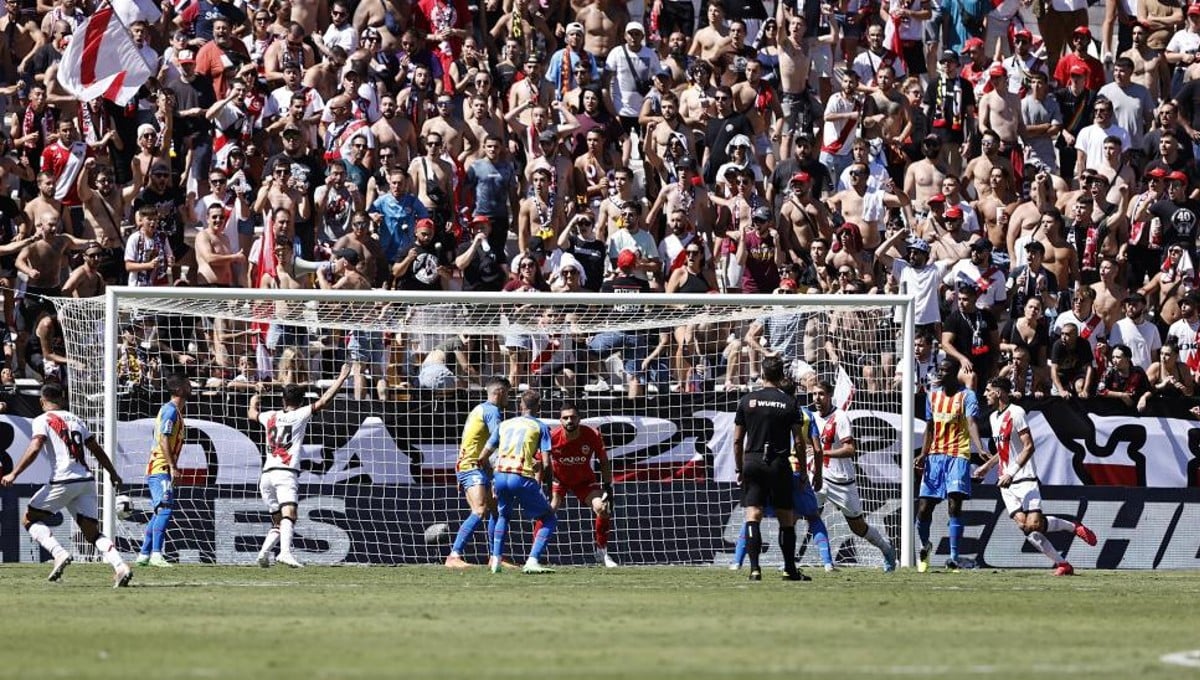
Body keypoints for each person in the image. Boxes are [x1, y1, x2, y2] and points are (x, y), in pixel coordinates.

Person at [0, 382, 132, 587]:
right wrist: (112, 473)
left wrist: (14, 473)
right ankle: (120, 566)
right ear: (61, 400)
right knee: (93, 533)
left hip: (64, 479)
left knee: (28, 519)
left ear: (42, 401)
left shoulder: (42, 419)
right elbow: (96, 449)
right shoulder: (76, 419)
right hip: (86, 480)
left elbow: (35, 447)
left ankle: (59, 553)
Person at [974, 377, 1098, 575]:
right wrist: (987, 467)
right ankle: (1063, 564)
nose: (984, 394)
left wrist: (1011, 472)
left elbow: (1029, 446)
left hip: (1023, 476)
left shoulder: (1016, 412)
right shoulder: (992, 418)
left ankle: (1073, 526)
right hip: (1005, 482)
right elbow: (1004, 450)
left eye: (988, 390)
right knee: (1025, 526)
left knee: (1035, 524)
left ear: (998, 392)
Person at [247, 364, 352, 568]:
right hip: (285, 473)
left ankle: (263, 553)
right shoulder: (300, 414)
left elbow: (252, 413)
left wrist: (255, 396)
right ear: (302, 401)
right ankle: (285, 553)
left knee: (278, 522)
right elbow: (324, 401)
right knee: (290, 515)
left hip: (266, 475)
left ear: (283, 400)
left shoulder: (270, 416)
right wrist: (341, 378)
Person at [733, 354, 811, 581]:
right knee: (785, 517)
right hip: (779, 463)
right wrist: (804, 471)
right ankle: (789, 568)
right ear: (781, 375)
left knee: (753, 514)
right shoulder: (789, 402)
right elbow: (798, 441)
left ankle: (755, 569)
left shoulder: (747, 400)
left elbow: (737, 441)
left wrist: (739, 469)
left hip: (753, 462)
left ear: (763, 373)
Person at [809, 379, 897, 571]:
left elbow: (850, 450)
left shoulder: (840, 417)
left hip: (841, 481)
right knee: (808, 515)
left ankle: (887, 549)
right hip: (818, 477)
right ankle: (825, 563)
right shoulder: (811, 417)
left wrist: (823, 453)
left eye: (821, 394)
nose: (817, 398)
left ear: (830, 396)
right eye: (814, 393)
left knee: (857, 527)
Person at [914, 357, 985, 572]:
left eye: (945, 370)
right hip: (935, 456)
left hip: (958, 455)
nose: (941, 374)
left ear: (954, 373)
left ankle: (954, 557)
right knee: (925, 508)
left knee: (954, 504)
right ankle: (924, 546)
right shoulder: (933, 396)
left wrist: (979, 448)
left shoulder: (967, 396)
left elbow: (971, 422)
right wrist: (923, 453)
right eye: (939, 370)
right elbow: (930, 427)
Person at [484, 390, 557, 574]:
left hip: (500, 475)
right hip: (521, 475)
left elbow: (483, 456)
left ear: (520, 406)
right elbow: (547, 463)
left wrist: (491, 479)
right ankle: (532, 561)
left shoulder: (504, 425)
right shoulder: (540, 427)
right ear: (539, 407)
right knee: (548, 518)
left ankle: (496, 560)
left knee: (503, 516)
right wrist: (548, 487)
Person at [445, 376, 511, 569]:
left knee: (497, 511)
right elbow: (497, 443)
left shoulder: (479, 409)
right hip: (472, 466)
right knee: (480, 510)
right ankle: (453, 556)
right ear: (499, 393)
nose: (509, 398)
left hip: (473, 466)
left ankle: (496, 557)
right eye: (508, 393)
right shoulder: (492, 412)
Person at [545, 404, 617, 568]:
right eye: (565, 418)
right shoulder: (552, 437)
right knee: (548, 511)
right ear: (560, 420)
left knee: (603, 508)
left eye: (573, 417)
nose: (569, 421)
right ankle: (535, 556)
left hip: (583, 481)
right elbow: (540, 461)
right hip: (559, 480)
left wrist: (608, 488)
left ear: (579, 419)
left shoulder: (591, 434)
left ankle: (602, 551)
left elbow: (604, 462)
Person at [136, 373, 191, 568]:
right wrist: (172, 466)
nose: (190, 385)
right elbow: (163, 439)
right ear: (179, 389)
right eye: (187, 383)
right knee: (165, 509)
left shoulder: (175, 411)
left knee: (160, 510)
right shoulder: (170, 411)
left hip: (161, 466)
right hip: (160, 465)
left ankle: (144, 554)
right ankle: (157, 554)